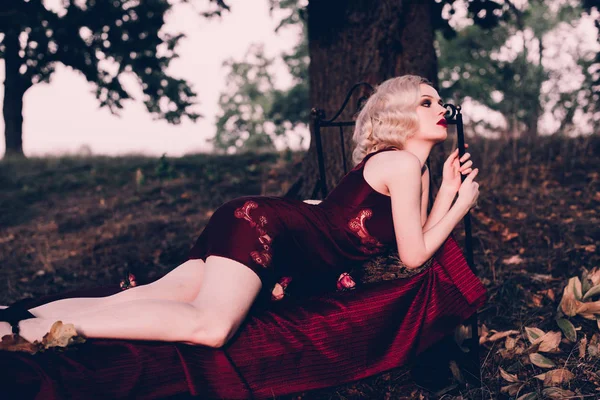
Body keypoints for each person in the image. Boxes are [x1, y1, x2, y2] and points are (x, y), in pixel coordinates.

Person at [0, 75, 479, 351]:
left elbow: (409, 239)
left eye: (440, 101)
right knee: (210, 327)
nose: (442, 107)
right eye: (426, 101)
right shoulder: (398, 163)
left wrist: (448, 192)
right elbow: (416, 256)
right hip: (266, 229)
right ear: (398, 115)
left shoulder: (412, 171)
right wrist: (457, 209)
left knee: (150, 295)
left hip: (258, 223)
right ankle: (44, 332)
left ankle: (14, 317)